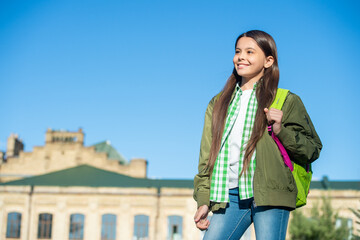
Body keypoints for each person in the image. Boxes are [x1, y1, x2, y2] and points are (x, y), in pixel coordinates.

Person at [193, 30, 322, 240]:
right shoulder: (218, 104)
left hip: (270, 193)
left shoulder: (286, 100)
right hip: (230, 195)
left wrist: (281, 130)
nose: (241, 57)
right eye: (238, 51)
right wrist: (203, 200)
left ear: (268, 61)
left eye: (250, 52)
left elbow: (312, 149)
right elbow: (206, 158)